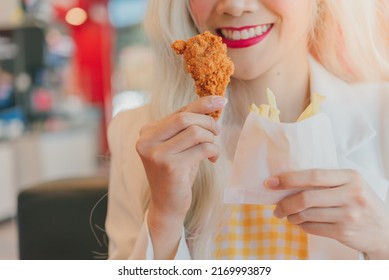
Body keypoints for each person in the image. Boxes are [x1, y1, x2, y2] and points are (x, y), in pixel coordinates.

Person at [106, 0, 389, 260]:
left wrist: (383, 241)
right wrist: (164, 217)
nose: (237, 6)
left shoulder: (382, 112)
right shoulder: (140, 136)